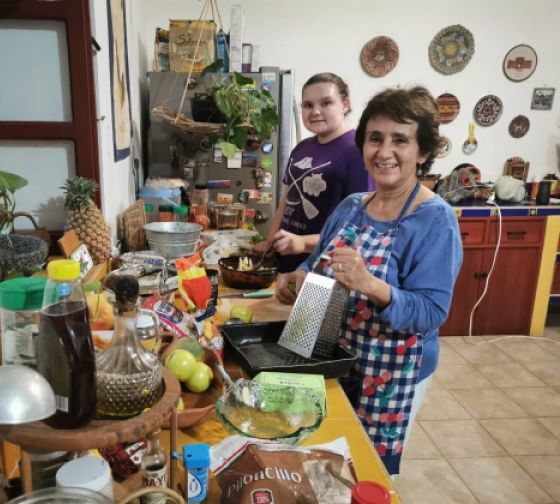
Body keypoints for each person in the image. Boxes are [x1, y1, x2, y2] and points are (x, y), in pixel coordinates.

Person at [276, 86, 463, 475]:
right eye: (375, 138)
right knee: (322, 464)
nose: (384, 151)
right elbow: (315, 265)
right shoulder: (351, 207)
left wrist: (371, 285)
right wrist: (298, 278)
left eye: (401, 140)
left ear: (423, 151)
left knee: (367, 473)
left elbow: (430, 312)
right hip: (332, 360)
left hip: (390, 375)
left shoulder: (435, 220)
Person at [253, 72, 372, 273]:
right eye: (308, 105)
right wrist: (270, 241)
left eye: (326, 103)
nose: (315, 111)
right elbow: (286, 199)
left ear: (345, 104)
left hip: (323, 268)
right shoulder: (302, 148)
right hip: (286, 260)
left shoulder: (357, 152)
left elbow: (360, 227)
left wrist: (303, 243)